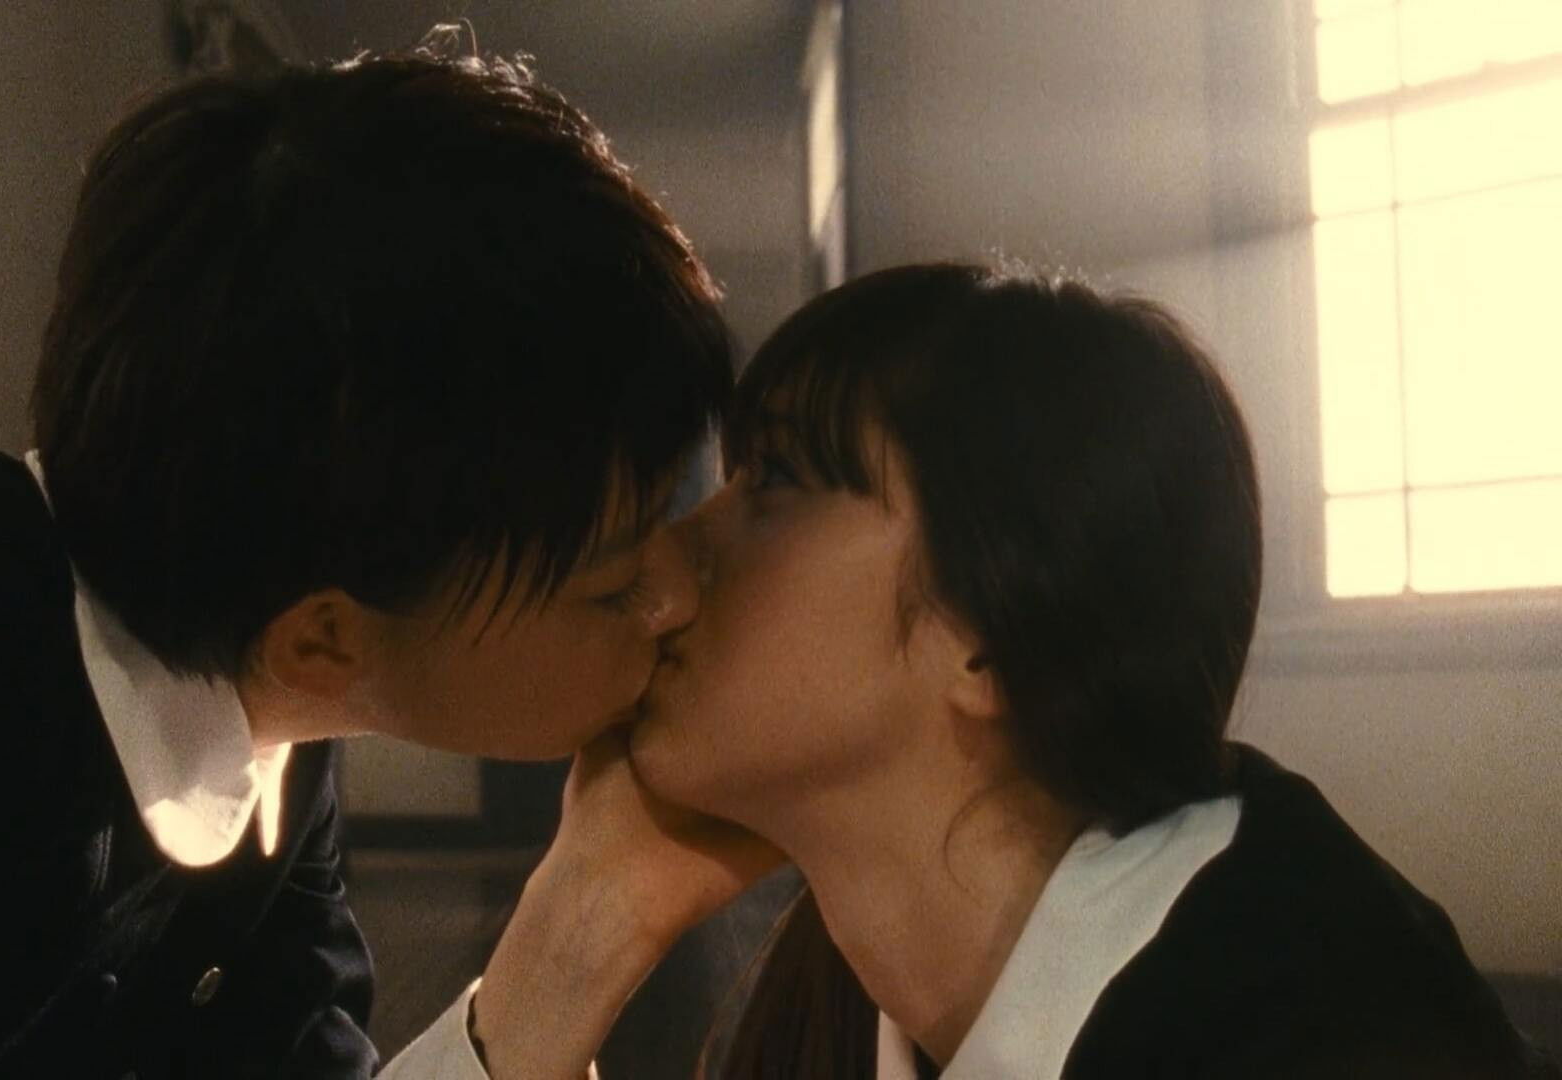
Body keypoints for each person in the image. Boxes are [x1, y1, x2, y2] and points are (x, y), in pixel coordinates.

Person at [0, 44, 734, 1076]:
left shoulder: (248, 699)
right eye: (614, 584)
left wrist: (586, 916)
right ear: (322, 639)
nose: (683, 593)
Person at [604, 262, 1555, 1078]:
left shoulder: (1335, 1033)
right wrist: (576, 939)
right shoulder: (833, 1010)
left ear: (988, 632)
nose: (666, 561)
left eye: (775, 481)